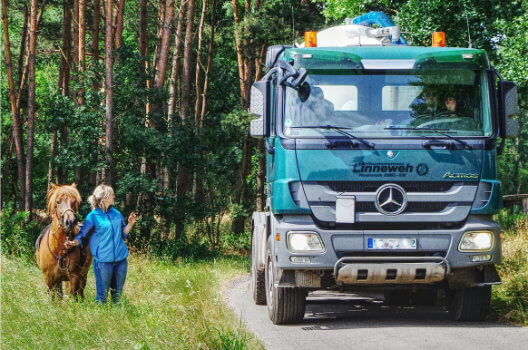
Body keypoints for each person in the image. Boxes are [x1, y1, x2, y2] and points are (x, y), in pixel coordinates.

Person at [64, 184, 137, 303]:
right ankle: (101, 319)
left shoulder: (116, 214)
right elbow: (83, 235)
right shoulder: (93, 216)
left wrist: (130, 224)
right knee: (102, 297)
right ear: (104, 198)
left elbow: (124, 233)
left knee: (117, 297)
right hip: (103, 263)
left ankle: (116, 319)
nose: (114, 196)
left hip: (121, 261)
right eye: (112, 194)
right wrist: (74, 242)